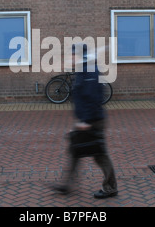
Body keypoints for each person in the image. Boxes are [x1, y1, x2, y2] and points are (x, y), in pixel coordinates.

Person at [52, 43, 118, 199]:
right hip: (85, 120)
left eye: (73, 54)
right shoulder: (82, 70)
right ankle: (66, 185)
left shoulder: (89, 71)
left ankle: (111, 188)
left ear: (81, 56)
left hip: (93, 120)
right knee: (75, 151)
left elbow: (94, 98)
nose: (71, 57)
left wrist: (86, 121)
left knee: (100, 155)